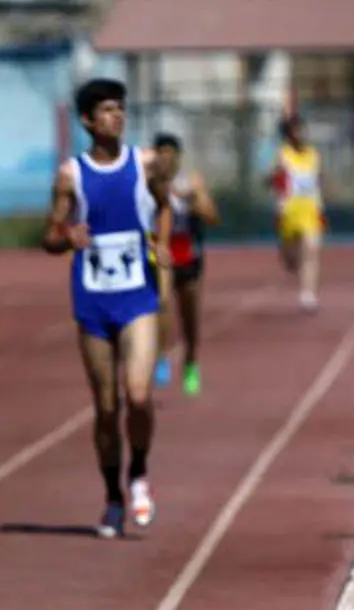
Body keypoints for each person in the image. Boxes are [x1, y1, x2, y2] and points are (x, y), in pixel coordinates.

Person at [42, 77, 174, 539]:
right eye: (107, 110)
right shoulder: (70, 175)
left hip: (138, 297)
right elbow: (50, 235)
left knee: (138, 395)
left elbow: (163, 206)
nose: (117, 117)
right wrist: (66, 237)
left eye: (121, 109)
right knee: (105, 406)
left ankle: (138, 473)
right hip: (93, 301)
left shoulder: (146, 164)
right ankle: (113, 497)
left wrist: (160, 239)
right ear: (87, 120)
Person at [152, 132, 220, 396]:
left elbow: (213, 217)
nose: (166, 158)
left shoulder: (191, 182)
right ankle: (162, 357)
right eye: (162, 153)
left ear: (178, 157)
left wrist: (192, 200)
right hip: (163, 254)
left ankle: (191, 360)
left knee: (189, 315)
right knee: (163, 304)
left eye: (171, 153)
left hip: (189, 255)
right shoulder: (150, 183)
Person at [266, 110, 325, 312]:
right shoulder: (282, 155)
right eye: (294, 130)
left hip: (310, 209)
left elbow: (319, 179)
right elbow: (269, 179)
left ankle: (308, 294)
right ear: (288, 134)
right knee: (291, 261)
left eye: (301, 129)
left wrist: (320, 198)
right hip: (288, 211)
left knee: (312, 250)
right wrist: (274, 178)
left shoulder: (313, 154)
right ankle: (287, 256)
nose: (299, 133)